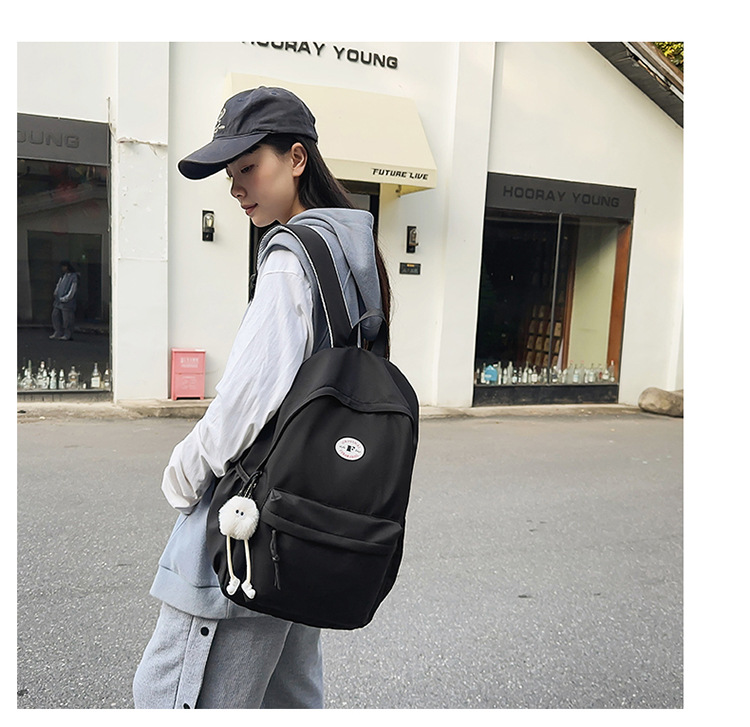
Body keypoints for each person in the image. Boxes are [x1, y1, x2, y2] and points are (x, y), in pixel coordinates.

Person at [132, 86, 391, 709]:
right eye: (230, 174)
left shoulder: (291, 257)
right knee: (287, 697)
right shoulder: (351, 256)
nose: (235, 187)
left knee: (171, 696)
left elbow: (248, 396)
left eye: (248, 167)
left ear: (296, 159)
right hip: (308, 516)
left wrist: (185, 471)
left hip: (251, 518)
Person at [50, 260, 79, 340]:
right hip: (58, 301)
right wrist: (56, 292)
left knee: (67, 319)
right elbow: (59, 284)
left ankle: (67, 334)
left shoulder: (74, 277)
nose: (62, 268)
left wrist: (66, 298)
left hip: (67, 302)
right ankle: (58, 332)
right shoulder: (63, 276)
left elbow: (73, 289)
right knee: (55, 315)